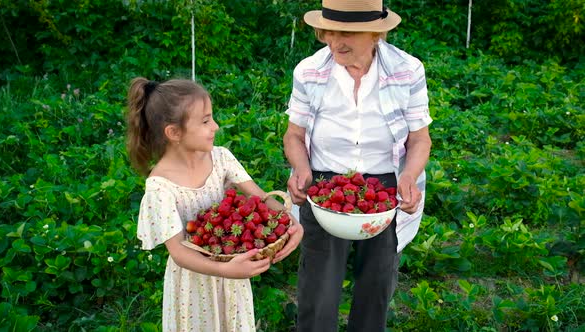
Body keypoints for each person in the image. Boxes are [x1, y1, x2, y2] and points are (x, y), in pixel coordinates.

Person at [283, 1, 432, 331]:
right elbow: (294, 135)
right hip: (324, 184)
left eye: (348, 33)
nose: (336, 42)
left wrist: (408, 176)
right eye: (330, 31)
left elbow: (420, 139)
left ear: (377, 34)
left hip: (385, 185)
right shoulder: (308, 71)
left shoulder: (408, 70)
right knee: (318, 288)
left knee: (376, 284)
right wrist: (302, 169)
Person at [126, 77, 303, 331]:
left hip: (232, 269)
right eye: (206, 121)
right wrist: (225, 271)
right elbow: (178, 252)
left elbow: (260, 197)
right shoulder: (160, 187)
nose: (216, 126)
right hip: (193, 285)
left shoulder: (221, 158)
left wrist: (292, 223)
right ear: (174, 133)